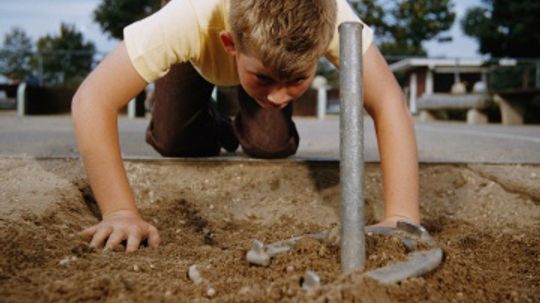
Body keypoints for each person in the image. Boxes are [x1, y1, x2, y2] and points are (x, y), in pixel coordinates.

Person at [72, 0, 420, 252]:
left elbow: (388, 101)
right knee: (175, 139)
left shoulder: (331, 16)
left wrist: (401, 214)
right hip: (196, 52)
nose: (280, 96)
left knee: (270, 145)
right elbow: (92, 99)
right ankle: (217, 117)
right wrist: (120, 211)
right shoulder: (187, 18)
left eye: (297, 79)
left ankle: (245, 103)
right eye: (266, 79)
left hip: (260, 55)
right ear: (230, 44)